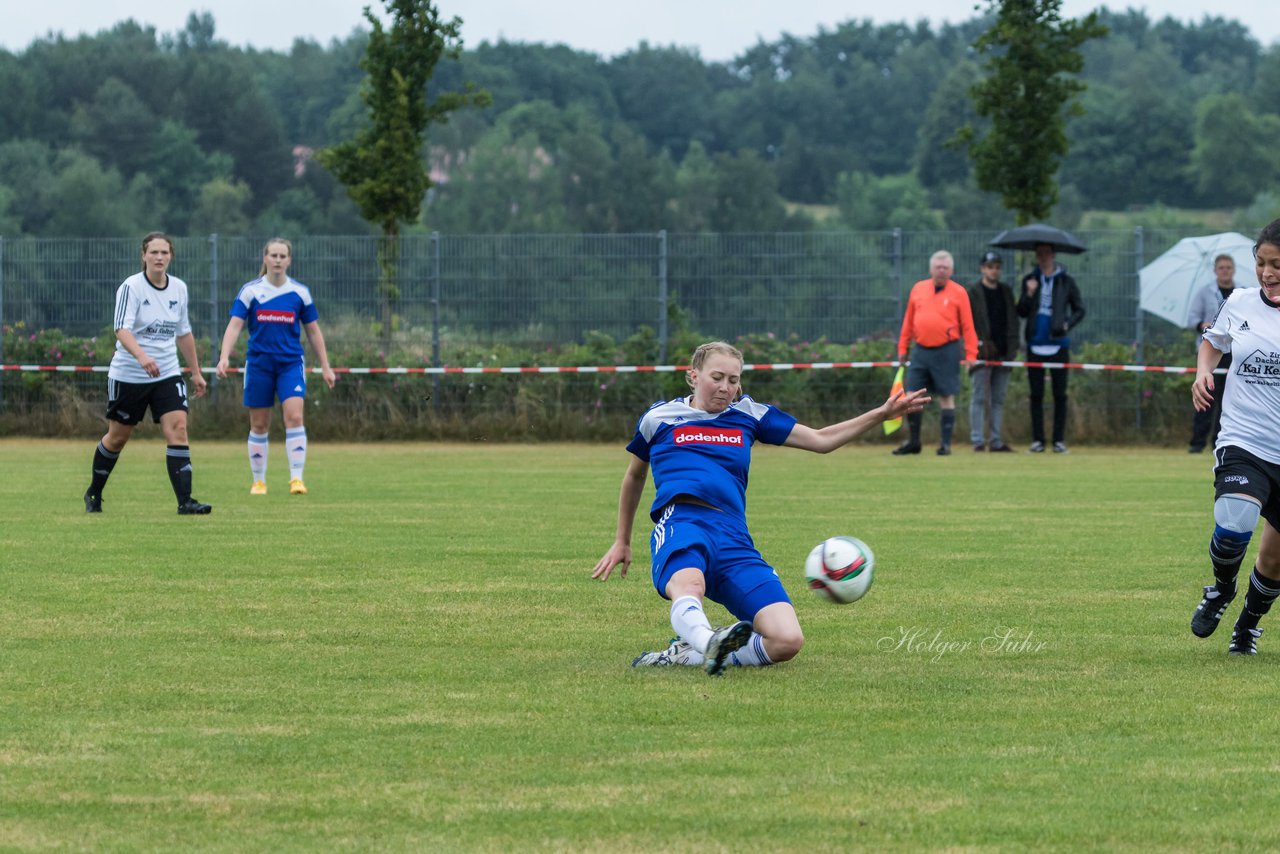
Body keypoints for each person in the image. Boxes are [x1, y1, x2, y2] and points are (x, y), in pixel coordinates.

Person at [590, 341, 930, 676]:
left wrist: (881, 414)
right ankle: (708, 640)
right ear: (693, 376)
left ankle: (691, 654)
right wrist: (623, 540)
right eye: (717, 377)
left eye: (734, 380)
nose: (725, 387)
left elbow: (821, 440)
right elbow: (635, 475)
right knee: (689, 585)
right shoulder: (659, 418)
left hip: (734, 536)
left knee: (788, 639)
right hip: (684, 521)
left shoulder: (748, 415)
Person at [1189, 219, 1280, 656]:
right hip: (1244, 440)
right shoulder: (1240, 302)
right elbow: (1213, 341)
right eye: (1261, 263)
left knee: (1274, 560)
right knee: (1233, 525)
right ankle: (1222, 589)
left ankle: (1246, 627)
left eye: (1276, 264)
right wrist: (1204, 370)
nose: (1267, 272)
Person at [83, 232, 212, 515]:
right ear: (143, 256)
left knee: (178, 428)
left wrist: (196, 372)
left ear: (171, 256)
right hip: (129, 374)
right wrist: (141, 356)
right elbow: (121, 329)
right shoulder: (132, 287)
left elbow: (184, 333)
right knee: (118, 437)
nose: (159, 257)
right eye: (153, 252)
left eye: (164, 252)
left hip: (166, 373)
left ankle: (185, 502)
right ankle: (94, 492)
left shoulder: (179, 288)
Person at [216, 238, 336, 495]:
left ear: (289, 260)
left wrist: (326, 366)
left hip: (290, 364)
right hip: (259, 365)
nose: (278, 260)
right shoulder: (250, 291)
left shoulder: (300, 293)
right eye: (274, 255)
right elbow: (235, 325)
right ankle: (259, 481)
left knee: (294, 417)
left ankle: (296, 479)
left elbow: (314, 332)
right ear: (265, 258)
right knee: (259, 425)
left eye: (283, 256)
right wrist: (224, 356)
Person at [891, 250, 978, 456]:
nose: (941, 271)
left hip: (947, 349)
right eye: (938, 267)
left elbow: (968, 326)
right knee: (911, 396)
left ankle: (945, 445)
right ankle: (914, 442)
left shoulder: (959, 293)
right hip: (921, 350)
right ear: (931, 269)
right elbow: (908, 321)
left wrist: (971, 354)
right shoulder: (918, 289)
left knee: (946, 396)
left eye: (945, 267)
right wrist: (903, 348)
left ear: (951, 270)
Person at [1016, 243, 1086, 454]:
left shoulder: (1066, 281)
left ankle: (1058, 440)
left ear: (1053, 255)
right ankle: (1038, 440)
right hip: (1035, 345)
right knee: (1036, 394)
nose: (1043, 257)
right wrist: (1029, 294)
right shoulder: (1030, 280)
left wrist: (1066, 325)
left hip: (1058, 345)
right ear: (1036, 256)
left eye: (1047, 253)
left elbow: (1080, 309)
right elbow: (1021, 310)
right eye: (1039, 254)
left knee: (1059, 394)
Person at [967, 251, 1019, 452]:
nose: (994, 271)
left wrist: (1013, 348)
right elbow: (968, 321)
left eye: (997, 267)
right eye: (990, 266)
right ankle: (978, 440)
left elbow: (1013, 321)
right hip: (981, 353)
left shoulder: (1006, 291)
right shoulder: (973, 292)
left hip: (1004, 353)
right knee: (979, 396)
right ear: (982, 268)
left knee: (998, 399)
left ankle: (996, 440)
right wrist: (976, 345)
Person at [1186, 253, 1238, 453]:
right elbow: (1192, 320)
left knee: (1228, 401)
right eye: (1221, 268)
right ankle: (1197, 443)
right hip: (1210, 352)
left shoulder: (1241, 293)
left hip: (1233, 354)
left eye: (1228, 267)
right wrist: (1205, 325)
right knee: (1205, 396)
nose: (1225, 271)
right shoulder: (1204, 293)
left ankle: (1219, 442)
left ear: (1233, 269)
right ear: (1215, 271)